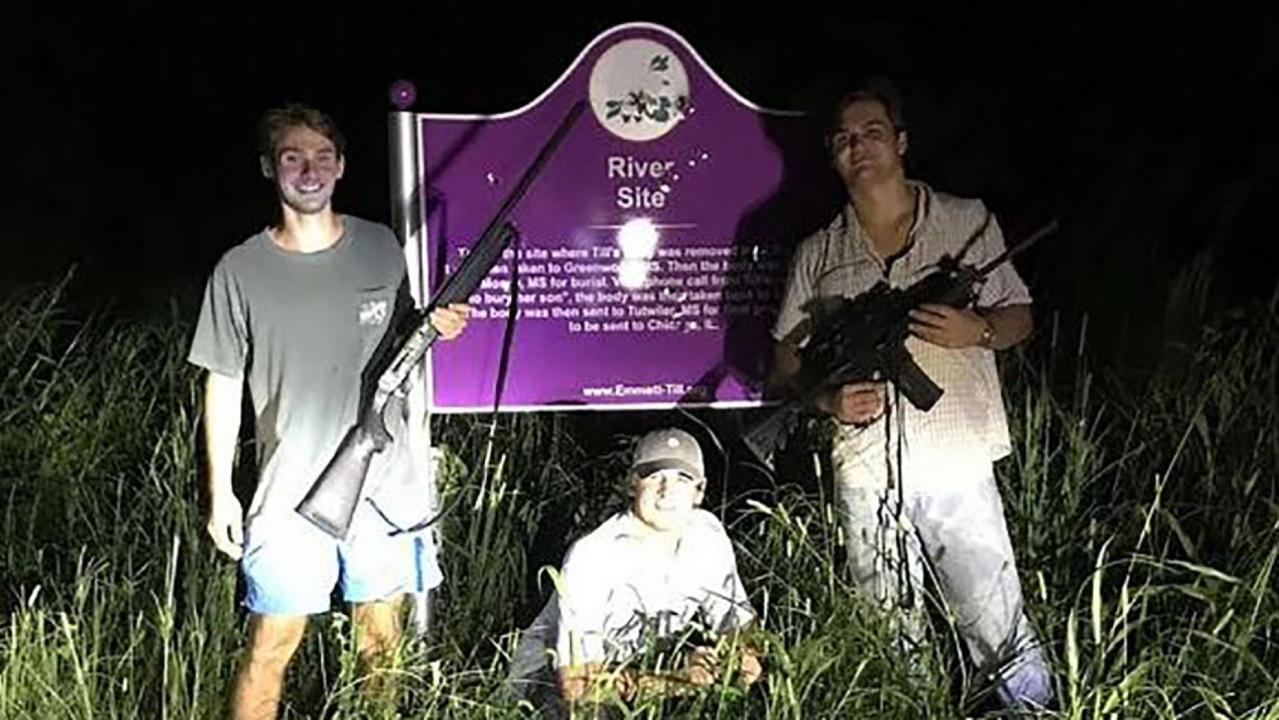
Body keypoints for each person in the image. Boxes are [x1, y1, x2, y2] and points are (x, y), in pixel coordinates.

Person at [769, 79, 1053, 710]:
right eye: (844, 138)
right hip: (866, 472)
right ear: (832, 154)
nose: (858, 146)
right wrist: (826, 402)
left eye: (872, 132)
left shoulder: (966, 220)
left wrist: (975, 329)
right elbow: (783, 366)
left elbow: (1019, 316)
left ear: (900, 143)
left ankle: (1033, 710)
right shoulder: (819, 254)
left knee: (996, 621)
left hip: (956, 460)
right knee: (890, 632)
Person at [188, 103, 470, 720]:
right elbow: (223, 385)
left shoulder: (380, 247)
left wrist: (437, 327)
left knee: (382, 646)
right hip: (289, 494)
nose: (308, 170)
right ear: (270, 168)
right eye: (292, 157)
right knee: (270, 648)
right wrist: (221, 494)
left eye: (321, 156)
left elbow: (405, 343)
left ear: (341, 167)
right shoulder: (239, 270)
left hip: (385, 489)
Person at [507, 428, 762, 715]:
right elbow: (576, 683)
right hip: (555, 677)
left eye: (683, 478)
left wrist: (740, 657)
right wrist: (679, 680)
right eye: (655, 477)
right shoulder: (593, 554)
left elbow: (737, 624)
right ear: (632, 485)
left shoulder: (708, 535)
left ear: (699, 491)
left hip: (646, 669)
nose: (667, 490)